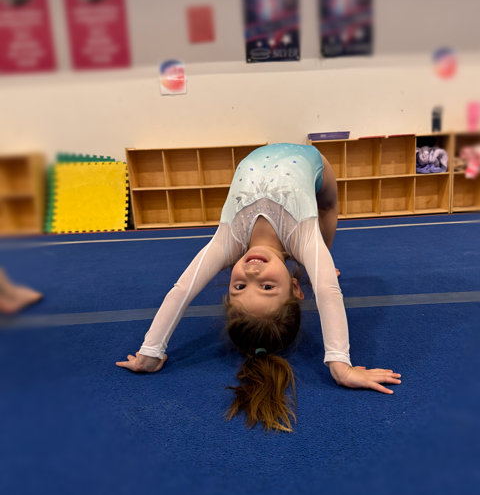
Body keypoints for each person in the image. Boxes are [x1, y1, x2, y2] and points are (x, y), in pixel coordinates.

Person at [117, 144, 401, 431]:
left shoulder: (227, 242)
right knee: (325, 209)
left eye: (240, 285)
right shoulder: (303, 235)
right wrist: (340, 366)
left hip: (260, 155)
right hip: (314, 162)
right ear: (295, 287)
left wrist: (150, 353)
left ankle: (318, 265)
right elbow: (328, 290)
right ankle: (316, 265)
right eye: (266, 286)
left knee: (319, 263)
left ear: (228, 290)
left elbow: (182, 289)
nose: (252, 270)